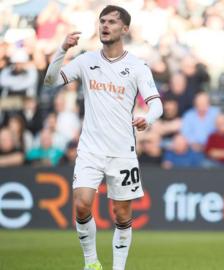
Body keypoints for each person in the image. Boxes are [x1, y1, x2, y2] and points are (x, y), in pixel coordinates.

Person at [43, 5, 163, 270]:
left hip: (123, 151)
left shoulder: (137, 66)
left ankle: (118, 268)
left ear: (125, 29)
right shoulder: (86, 61)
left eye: (111, 22)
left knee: (122, 214)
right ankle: (91, 263)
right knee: (82, 204)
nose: (104, 26)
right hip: (90, 149)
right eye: (102, 21)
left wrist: (149, 118)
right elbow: (51, 81)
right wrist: (62, 49)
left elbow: (157, 104)